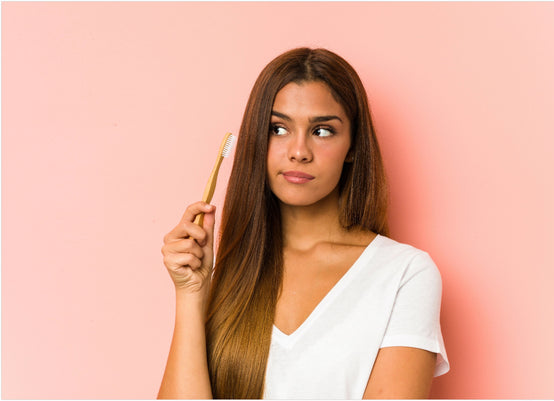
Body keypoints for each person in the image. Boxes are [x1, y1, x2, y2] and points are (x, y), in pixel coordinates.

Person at [158, 47, 449, 400]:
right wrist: (190, 294)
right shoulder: (231, 276)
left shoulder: (404, 275)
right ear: (256, 141)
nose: (299, 151)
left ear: (353, 146)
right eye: (278, 129)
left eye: (322, 131)